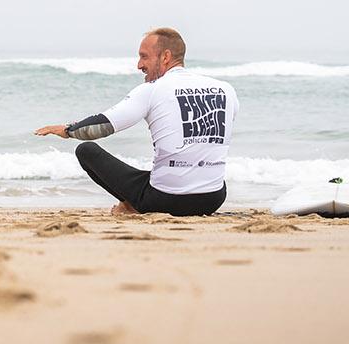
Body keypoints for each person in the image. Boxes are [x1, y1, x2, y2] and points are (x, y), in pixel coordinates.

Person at [35, 27, 234, 216]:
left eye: (144, 56)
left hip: (164, 200)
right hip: (213, 198)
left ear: (165, 57)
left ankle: (133, 205)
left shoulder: (153, 89)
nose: (139, 65)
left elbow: (102, 126)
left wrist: (67, 130)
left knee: (86, 151)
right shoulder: (226, 90)